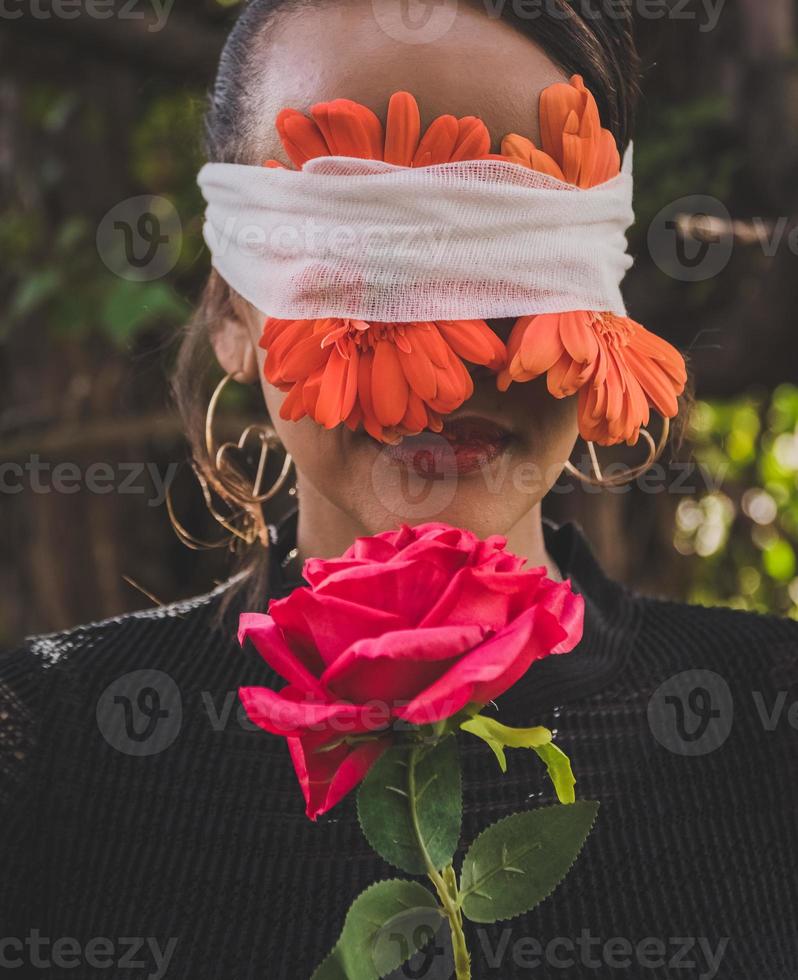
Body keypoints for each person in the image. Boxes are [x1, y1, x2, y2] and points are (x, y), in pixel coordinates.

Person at [2, 2, 796, 978]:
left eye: (520, 253)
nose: (457, 364)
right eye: (368, 260)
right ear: (230, 307)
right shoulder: (36, 753)